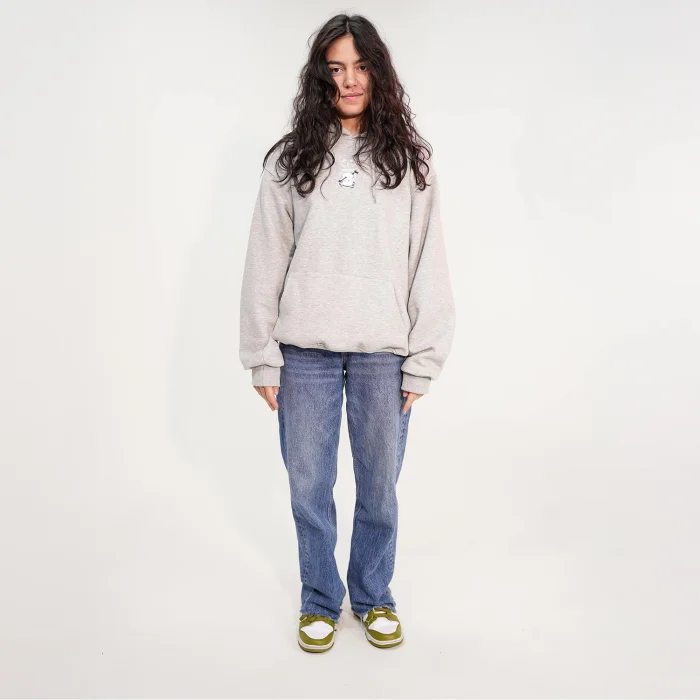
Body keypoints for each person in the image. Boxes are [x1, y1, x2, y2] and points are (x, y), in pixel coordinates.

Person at [239, 13, 456, 652]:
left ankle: (373, 594)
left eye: (360, 67)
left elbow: (428, 261)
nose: (350, 80)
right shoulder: (290, 161)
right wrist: (261, 355)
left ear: (378, 73)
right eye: (336, 69)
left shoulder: (409, 162)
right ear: (321, 77)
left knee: (379, 487)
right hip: (302, 351)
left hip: (383, 353)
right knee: (308, 486)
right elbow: (265, 259)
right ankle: (319, 598)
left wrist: (423, 359)